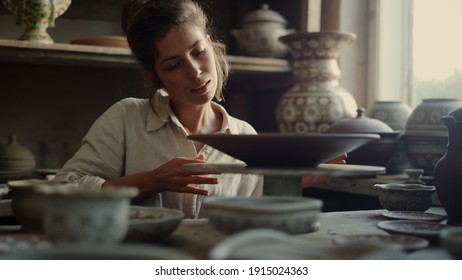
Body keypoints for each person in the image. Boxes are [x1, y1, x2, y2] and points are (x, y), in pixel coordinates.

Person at [54, 0, 346, 218]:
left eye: (198, 53)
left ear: (212, 46)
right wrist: (150, 181)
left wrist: (299, 179)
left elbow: (257, 207)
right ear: (153, 77)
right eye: (173, 65)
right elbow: (63, 189)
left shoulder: (245, 135)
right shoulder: (125, 118)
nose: (194, 71)